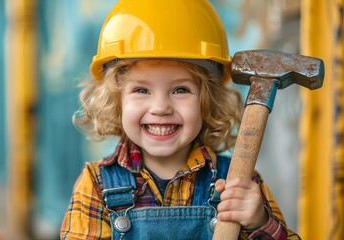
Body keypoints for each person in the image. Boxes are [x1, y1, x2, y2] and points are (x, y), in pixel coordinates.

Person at [61, 0, 300, 239]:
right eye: (141, 90)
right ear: (116, 101)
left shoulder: (238, 183)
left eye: (180, 90)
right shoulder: (97, 186)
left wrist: (259, 222)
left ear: (208, 101)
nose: (161, 107)